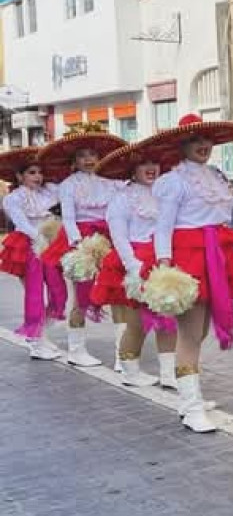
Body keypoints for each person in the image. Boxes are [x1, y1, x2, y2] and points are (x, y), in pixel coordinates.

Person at [151, 114, 233, 433]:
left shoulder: (214, 176)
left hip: (215, 252)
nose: (203, 145)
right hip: (189, 255)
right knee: (190, 334)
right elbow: (163, 226)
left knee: (200, 332)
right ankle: (191, 406)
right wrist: (165, 267)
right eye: (195, 140)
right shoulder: (173, 181)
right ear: (182, 145)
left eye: (206, 140)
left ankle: (188, 395)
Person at [90, 138, 180, 388]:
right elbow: (119, 237)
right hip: (133, 263)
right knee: (137, 323)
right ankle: (130, 371)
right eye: (144, 164)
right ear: (132, 170)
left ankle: (168, 373)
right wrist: (134, 268)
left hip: (162, 259)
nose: (151, 168)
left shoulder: (166, 195)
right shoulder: (122, 199)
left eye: (155, 163)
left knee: (168, 318)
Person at [36, 127, 127, 368]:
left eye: (92, 155)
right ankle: (76, 350)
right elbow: (68, 217)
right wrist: (79, 245)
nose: (88, 160)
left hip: (110, 236)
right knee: (82, 296)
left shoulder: (114, 183)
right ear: (74, 161)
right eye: (82, 155)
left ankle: (124, 355)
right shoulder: (68, 185)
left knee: (119, 294)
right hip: (81, 239)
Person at [0, 148, 67, 360]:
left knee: (59, 293)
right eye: (31, 172)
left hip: (48, 244)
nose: (37, 176)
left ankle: (37, 334)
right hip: (28, 246)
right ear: (19, 176)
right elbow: (22, 223)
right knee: (35, 294)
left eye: (39, 172)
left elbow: (65, 189)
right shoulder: (13, 199)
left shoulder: (47, 192)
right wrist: (41, 240)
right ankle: (36, 342)